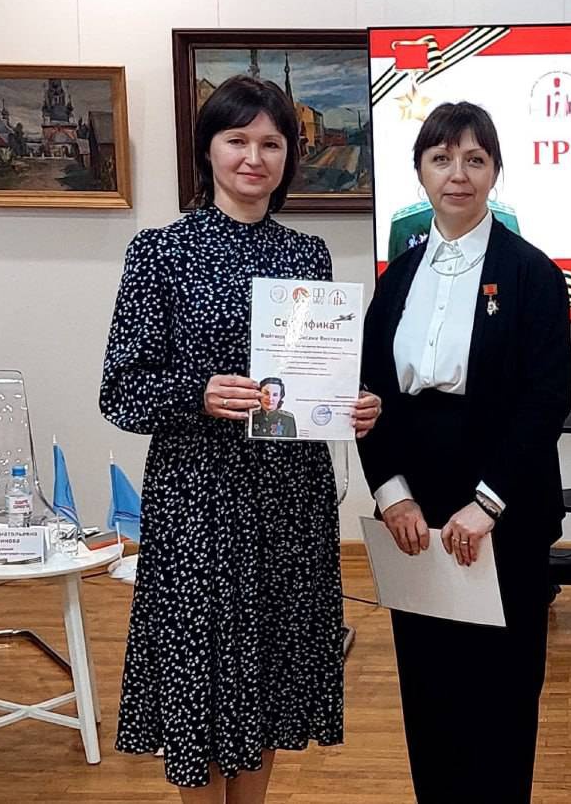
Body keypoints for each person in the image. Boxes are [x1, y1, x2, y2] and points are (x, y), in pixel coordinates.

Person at [100, 74, 381, 804]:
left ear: (290, 156)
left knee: (271, 669)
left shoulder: (308, 255)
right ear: (207, 150)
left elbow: (315, 376)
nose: (254, 158)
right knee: (202, 669)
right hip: (199, 497)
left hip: (290, 495)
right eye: (237, 141)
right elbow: (119, 391)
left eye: (271, 143)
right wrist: (196, 394)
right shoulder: (160, 252)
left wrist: (351, 404)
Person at [357, 101, 571, 803]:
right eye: (442, 158)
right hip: (414, 512)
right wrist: (392, 495)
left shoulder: (532, 274)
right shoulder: (396, 278)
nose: (458, 174)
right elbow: (370, 395)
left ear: (495, 172)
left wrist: (488, 503)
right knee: (430, 690)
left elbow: (546, 400)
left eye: (475, 159)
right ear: (420, 171)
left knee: (502, 694)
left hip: (502, 505)